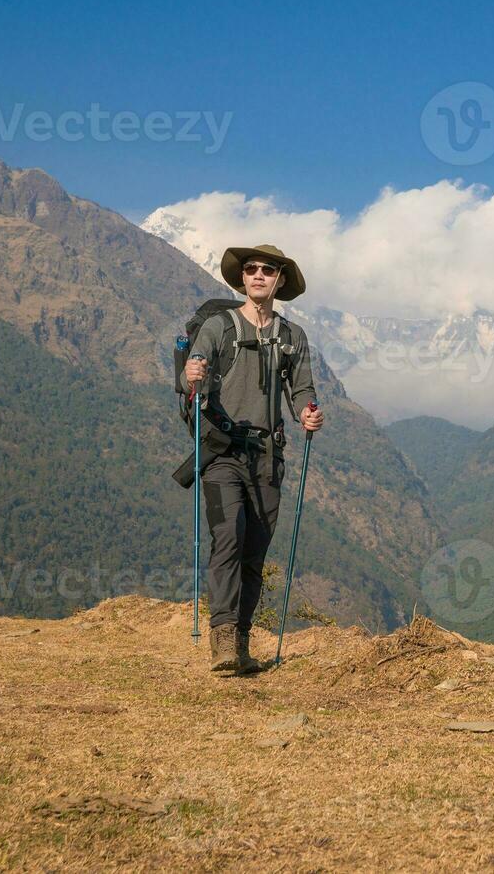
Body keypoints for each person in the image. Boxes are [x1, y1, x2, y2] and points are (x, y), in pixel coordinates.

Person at [180, 244, 325, 675]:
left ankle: (241, 639)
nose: (257, 275)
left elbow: (301, 388)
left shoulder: (292, 336)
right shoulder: (218, 327)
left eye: (267, 270)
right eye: (250, 269)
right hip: (222, 451)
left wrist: (308, 411)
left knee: (255, 550)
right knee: (228, 538)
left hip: (267, 455)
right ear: (241, 278)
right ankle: (222, 637)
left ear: (280, 280)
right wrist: (193, 373)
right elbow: (195, 365)